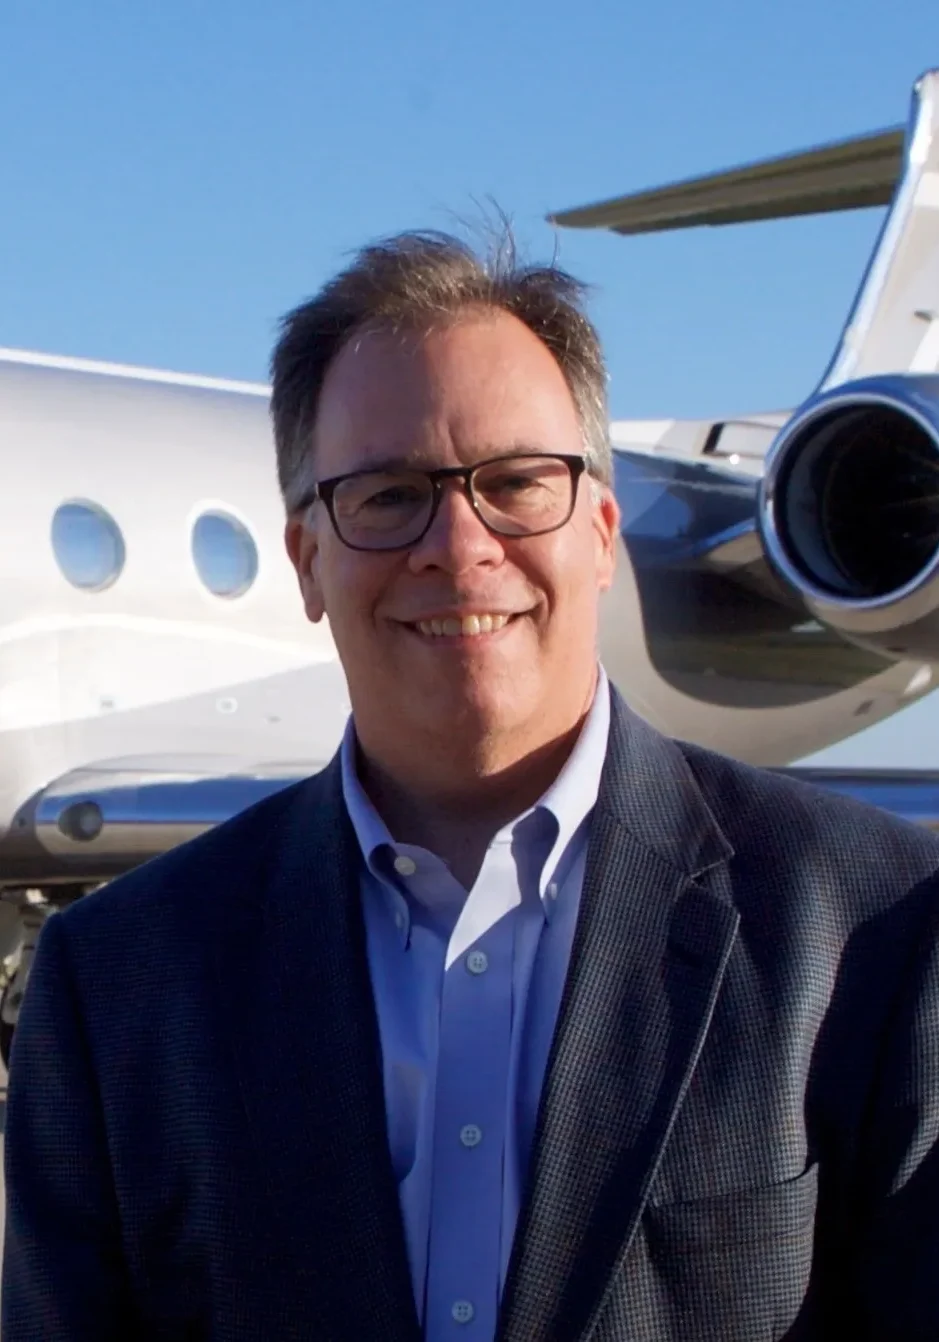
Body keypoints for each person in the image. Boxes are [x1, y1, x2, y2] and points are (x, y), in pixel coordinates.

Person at [3, 229, 938, 1342]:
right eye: (389, 495)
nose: (458, 542)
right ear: (307, 558)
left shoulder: (878, 928)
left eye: (516, 484)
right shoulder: (116, 982)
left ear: (602, 533)